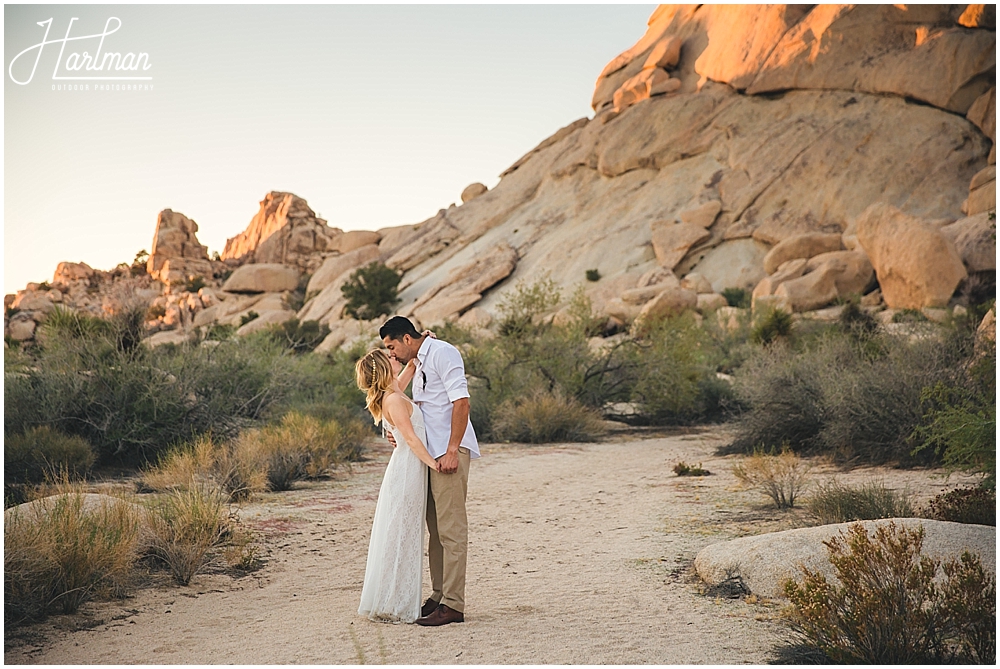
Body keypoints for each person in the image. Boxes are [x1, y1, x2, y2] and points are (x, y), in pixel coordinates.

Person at [380, 315, 480, 627]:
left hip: (447, 452)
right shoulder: (419, 360)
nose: (391, 352)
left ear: (406, 339)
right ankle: (439, 595)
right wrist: (396, 428)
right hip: (429, 456)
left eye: (392, 346)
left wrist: (452, 449)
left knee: (451, 529)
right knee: (435, 530)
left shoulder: (442, 353)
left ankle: (453, 604)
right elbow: (416, 405)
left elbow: (461, 402)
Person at [355, 348, 440, 623]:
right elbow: (412, 439)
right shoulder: (391, 399)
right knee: (401, 533)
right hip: (407, 471)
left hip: (409, 468)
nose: (396, 357)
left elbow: (410, 369)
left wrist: (421, 347)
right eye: (391, 357)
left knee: (405, 531)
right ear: (383, 367)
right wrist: (434, 464)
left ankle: (396, 598)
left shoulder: (394, 391)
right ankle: (394, 602)